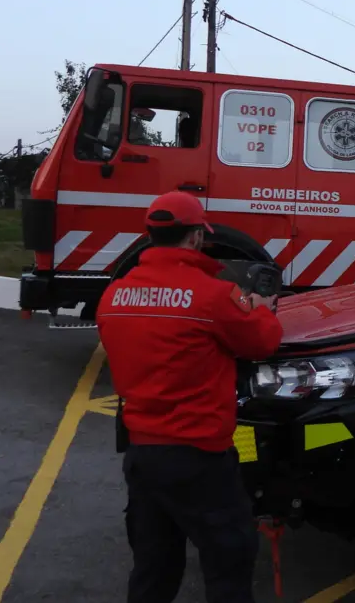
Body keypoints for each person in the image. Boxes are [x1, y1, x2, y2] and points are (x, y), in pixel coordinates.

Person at [96, 190, 284, 603]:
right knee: (228, 564)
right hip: (199, 458)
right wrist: (260, 308)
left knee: (154, 568)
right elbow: (262, 342)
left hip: (141, 456)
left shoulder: (114, 297)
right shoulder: (212, 295)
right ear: (197, 237)